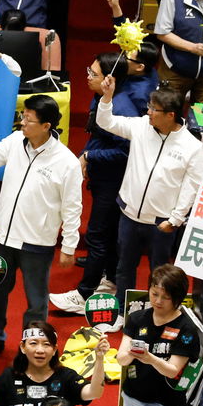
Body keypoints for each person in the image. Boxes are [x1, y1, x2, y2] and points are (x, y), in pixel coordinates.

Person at [0, 95, 82, 351]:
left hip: (37, 244)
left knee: (36, 302)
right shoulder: (15, 141)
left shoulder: (67, 162)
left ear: (46, 126)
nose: (22, 123)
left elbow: (73, 207)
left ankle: (33, 348)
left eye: (29, 119)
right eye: (23, 116)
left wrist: (69, 246)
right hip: (1, 238)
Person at [52, 48, 153, 312]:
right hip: (101, 177)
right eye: (89, 71)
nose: (88, 76)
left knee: (97, 235)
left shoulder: (122, 109)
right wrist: (87, 155)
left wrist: (90, 156)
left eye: (93, 73)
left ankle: (84, 294)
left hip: (114, 182)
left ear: (110, 79)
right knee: (107, 235)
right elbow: (95, 133)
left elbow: (126, 152)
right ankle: (109, 280)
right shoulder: (101, 98)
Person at [95, 77, 203, 294]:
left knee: (159, 274)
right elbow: (106, 122)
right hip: (129, 215)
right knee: (124, 269)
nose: (149, 112)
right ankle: (123, 309)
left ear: (170, 115)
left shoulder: (192, 147)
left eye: (154, 109)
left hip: (161, 223)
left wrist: (175, 219)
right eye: (149, 107)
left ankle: (155, 311)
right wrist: (107, 97)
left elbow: (192, 186)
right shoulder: (140, 126)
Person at [115, 264, 198, 406]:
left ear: (178, 298)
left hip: (167, 404)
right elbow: (121, 359)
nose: (158, 301)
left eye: (166, 297)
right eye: (154, 294)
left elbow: (172, 370)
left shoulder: (186, 329)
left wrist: (150, 358)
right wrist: (132, 353)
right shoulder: (137, 318)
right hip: (133, 398)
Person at [0, 320, 106, 406]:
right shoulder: (8, 378)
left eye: (46, 344)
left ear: (54, 349)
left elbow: (94, 392)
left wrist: (99, 358)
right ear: (23, 347)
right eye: (33, 343)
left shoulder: (66, 377)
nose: (40, 350)